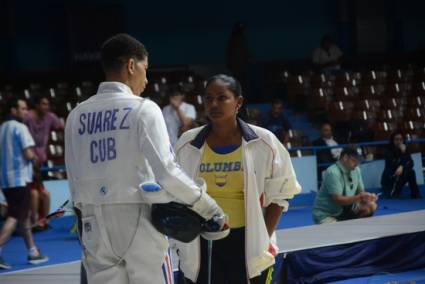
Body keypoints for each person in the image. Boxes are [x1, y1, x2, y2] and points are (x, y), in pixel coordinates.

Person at [64, 33, 224, 284]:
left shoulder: (76, 116)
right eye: (145, 69)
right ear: (130, 65)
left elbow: (73, 178)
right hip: (139, 218)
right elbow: (167, 172)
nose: (147, 79)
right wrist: (209, 208)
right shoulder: (143, 108)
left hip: (92, 224)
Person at [174, 74, 301, 284]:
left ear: (238, 102)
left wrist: (261, 239)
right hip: (201, 244)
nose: (213, 104)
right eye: (208, 98)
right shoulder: (187, 144)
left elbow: (281, 195)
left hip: (248, 243)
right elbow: (177, 193)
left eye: (222, 98)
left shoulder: (265, 142)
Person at [0, 98, 48, 269]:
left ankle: (33, 252)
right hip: (20, 179)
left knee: (23, 217)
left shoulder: (1, 128)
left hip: (5, 181)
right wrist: (35, 158)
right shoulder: (20, 128)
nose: (26, 111)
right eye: (22, 108)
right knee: (14, 216)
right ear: (13, 110)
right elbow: (28, 154)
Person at [24, 96, 63, 231]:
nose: (46, 107)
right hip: (26, 162)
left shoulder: (50, 117)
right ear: (36, 105)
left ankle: (43, 222)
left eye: (48, 104)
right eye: (43, 103)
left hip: (39, 162)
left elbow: (61, 126)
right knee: (33, 194)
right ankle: (33, 223)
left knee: (44, 194)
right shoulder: (27, 117)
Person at [312, 147, 378, 224]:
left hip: (345, 209)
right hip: (327, 214)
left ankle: (355, 228)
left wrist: (368, 197)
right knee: (337, 233)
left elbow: (361, 192)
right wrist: (359, 197)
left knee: (371, 206)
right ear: (345, 157)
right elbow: (337, 199)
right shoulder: (332, 172)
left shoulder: (356, 170)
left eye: (359, 160)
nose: (357, 163)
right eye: (354, 160)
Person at [381, 132, 421, 199]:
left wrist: (402, 165)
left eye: (401, 139)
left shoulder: (405, 150)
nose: (399, 142)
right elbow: (393, 165)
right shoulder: (388, 151)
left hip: (400, 175)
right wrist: (402, 161)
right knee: (399, 172)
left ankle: (415, 194)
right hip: (390, 177)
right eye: (397, 139)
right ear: (392, 141)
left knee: (411, 172)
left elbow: (411, 163)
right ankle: (393, 193)